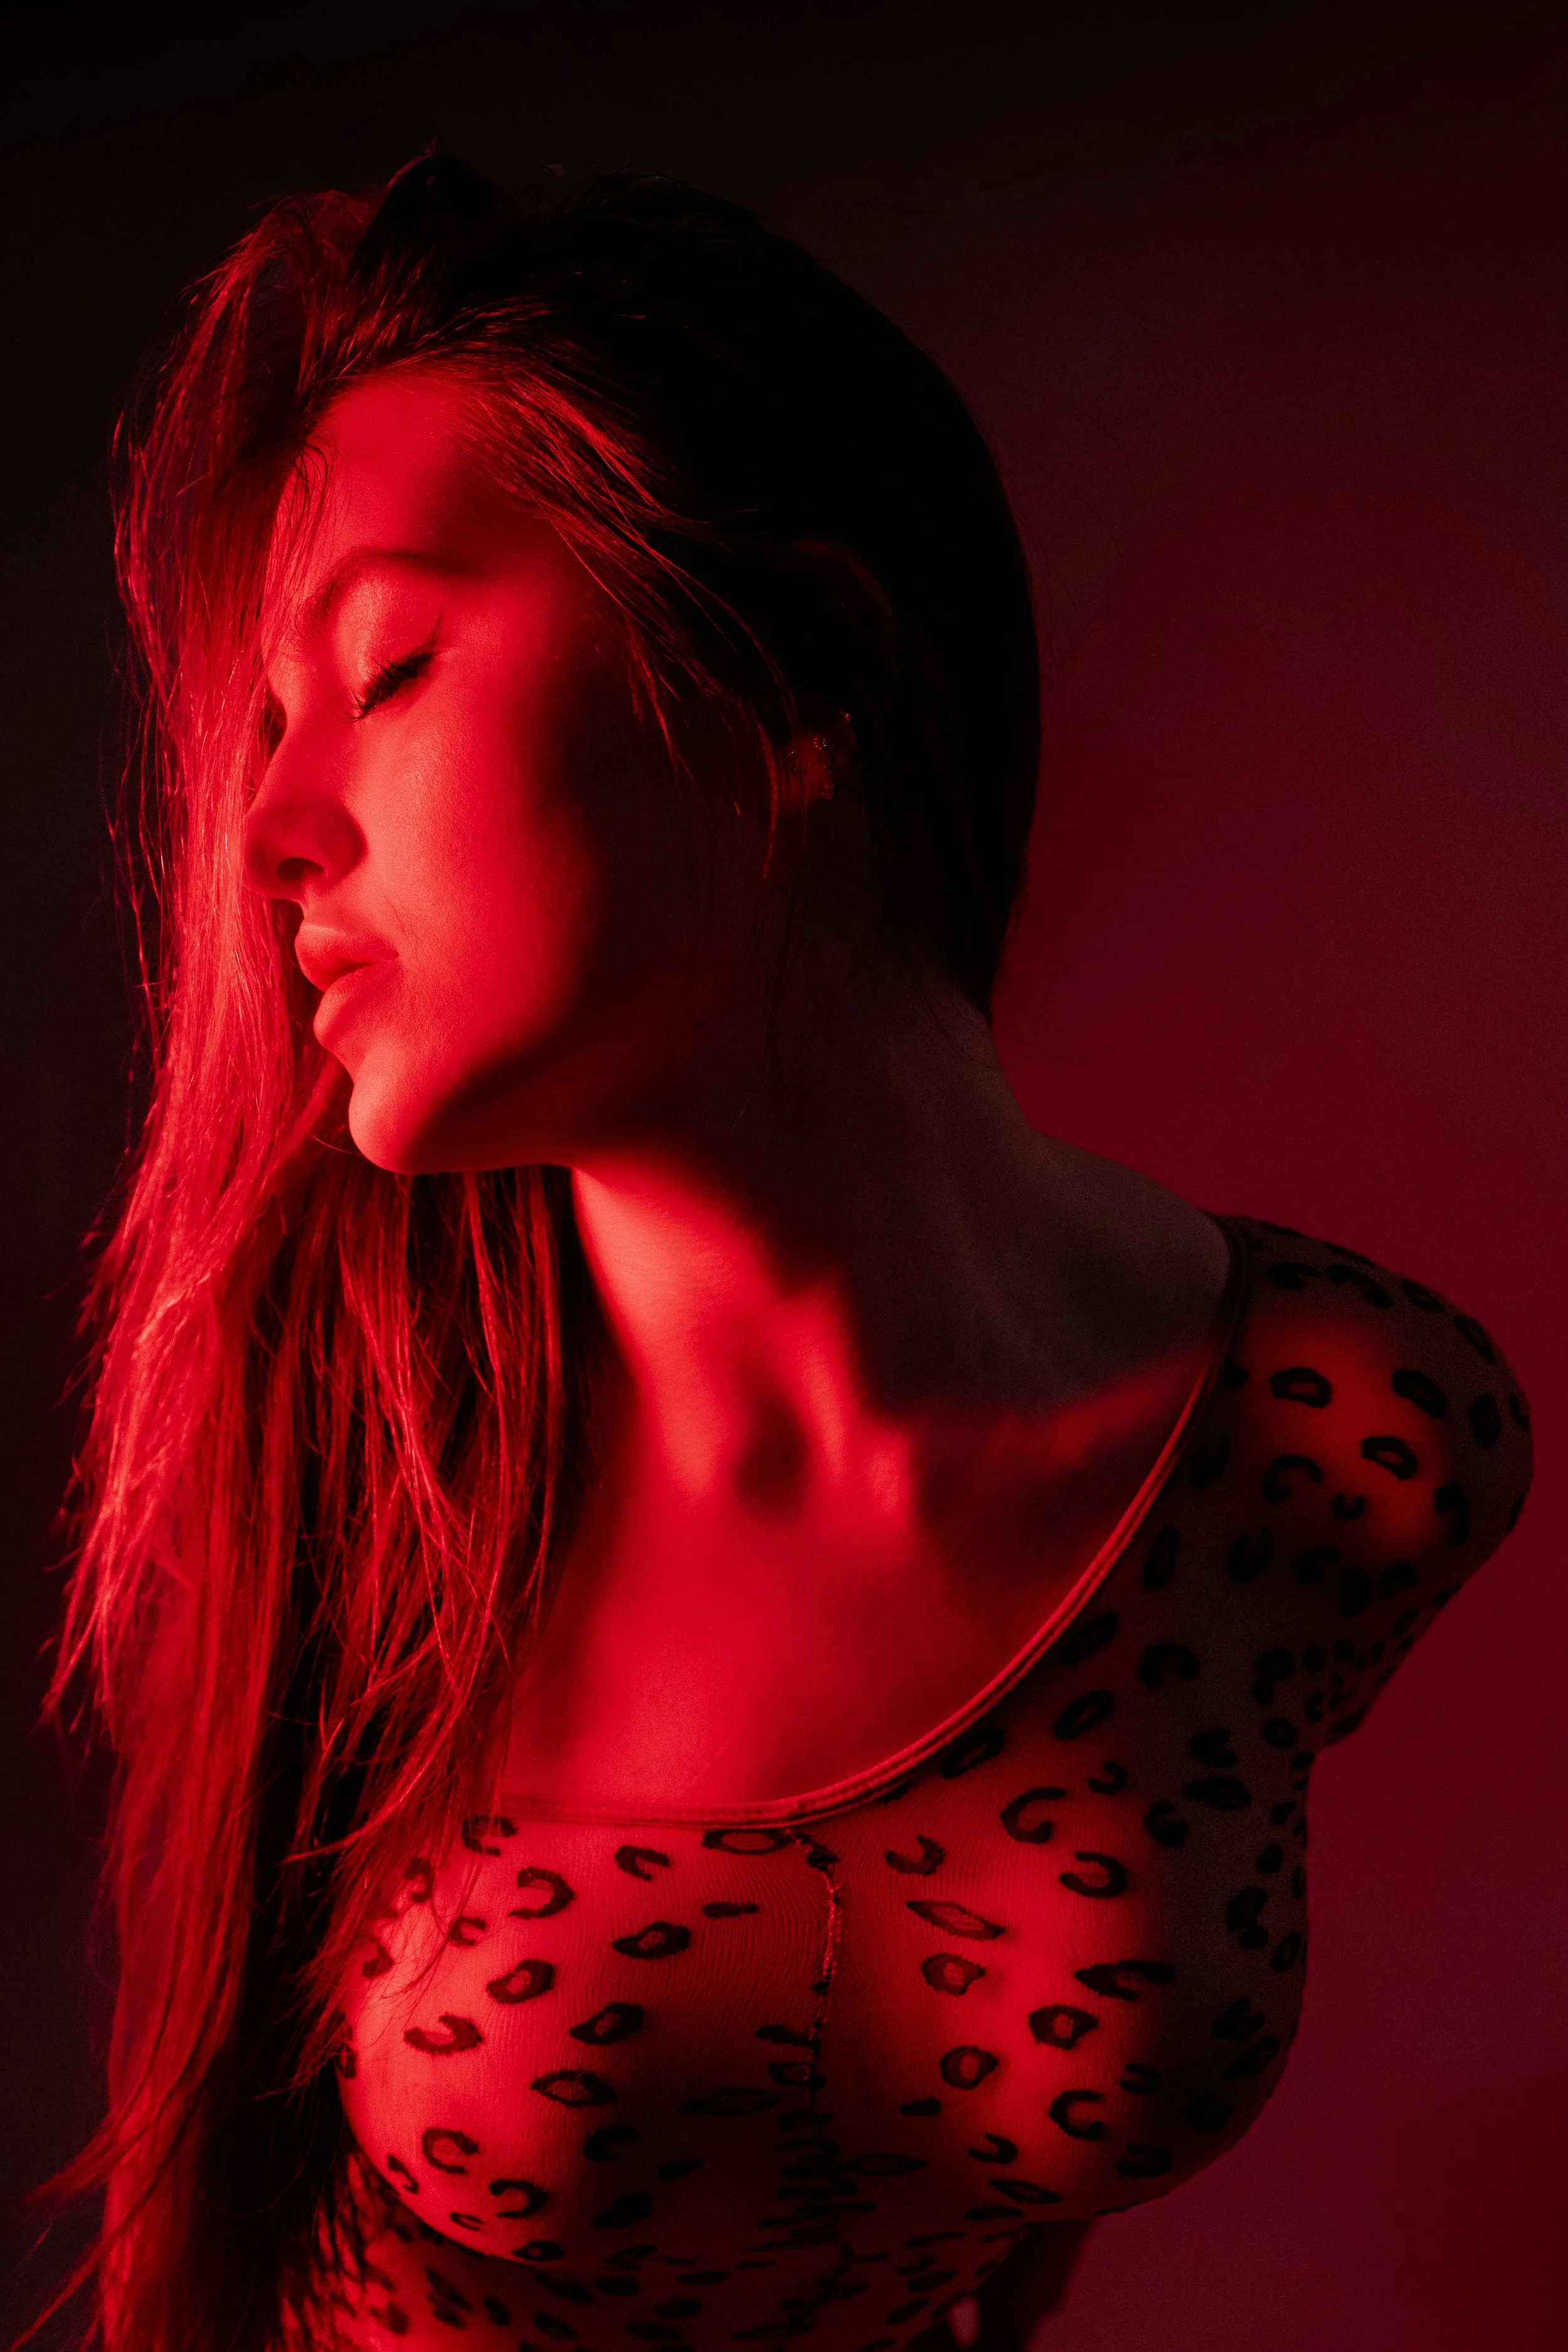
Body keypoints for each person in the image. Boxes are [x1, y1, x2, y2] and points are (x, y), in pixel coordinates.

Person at [46, 156, 1532, 2352]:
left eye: (388, 666)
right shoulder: (361, 1471)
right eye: (267, 725)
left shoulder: (1340, 1447)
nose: (267, 827)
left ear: (792, 670)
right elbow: (196, 2252)